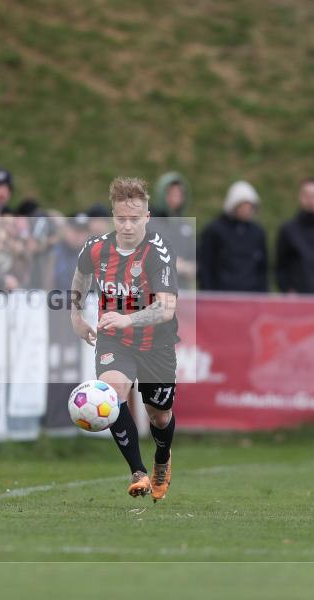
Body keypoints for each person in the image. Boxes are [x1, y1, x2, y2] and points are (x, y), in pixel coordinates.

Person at [71, 176, 178, 502]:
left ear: (147, 217)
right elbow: (81, 275)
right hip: (114, 339)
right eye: (121, 219)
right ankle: (138, 472)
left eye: (134, 218)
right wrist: (76, 316)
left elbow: (166, 308)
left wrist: (128, 318)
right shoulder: (96, 248)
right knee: (111, 394)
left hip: (156, 344)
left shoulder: (158, 253)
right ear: (113, 217)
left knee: (159, 415)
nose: (127, 226)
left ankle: (162, 458)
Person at [197, 180, 268, 292]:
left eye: (250, 206)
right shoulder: (214, 231)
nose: (247, 210)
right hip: (222, 295)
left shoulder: (257, 232)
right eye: (243, 206)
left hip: (251, 294)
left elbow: (263, 269)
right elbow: (206, 266)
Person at [151, 171, 196, 289]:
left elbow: (193, 259)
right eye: (171, 193)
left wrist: (189, 268)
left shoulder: (186, 226)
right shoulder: (149, 223)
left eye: (179, 194)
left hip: (182, 289)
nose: (176, 198)